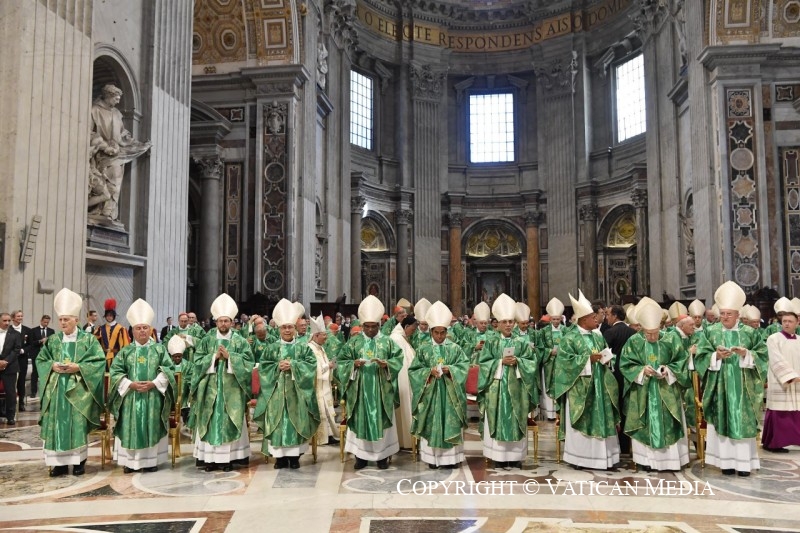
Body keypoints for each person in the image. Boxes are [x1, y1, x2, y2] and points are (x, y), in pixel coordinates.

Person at [695, 281, 767, 476]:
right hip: (720, 387)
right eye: (723, 313)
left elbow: (763, 356)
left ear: (737, 315)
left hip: (744, 389)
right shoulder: (710, 331)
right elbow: (700, 356)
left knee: (742, 423)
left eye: (729, 314)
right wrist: (716, 356)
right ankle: (725, 463)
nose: (725, 317)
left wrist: (746, 354)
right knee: (722, 421)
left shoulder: (750, 333)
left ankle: (744, 465)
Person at [37, 288, 106, 476]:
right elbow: (41, 360)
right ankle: (58, 464)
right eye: (60, 319)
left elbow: (98, 362)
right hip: (57, 390)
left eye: (66, 319)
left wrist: (79, 368)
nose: (62, 323)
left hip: (79, 391)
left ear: (76, 319)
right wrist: (52, 366)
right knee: (58, 425)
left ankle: (78, 462)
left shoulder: (88, 340)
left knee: (76, 426)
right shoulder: (53, 340)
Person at [620, 300, 690, 471]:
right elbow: (625, 364)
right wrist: (642, 370)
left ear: (660, 326)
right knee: (644, 423)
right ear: (642, 328)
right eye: (648, 333)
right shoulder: (634, 341)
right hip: (643, 391)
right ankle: (645, 461)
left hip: (667, 390)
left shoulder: (671, 339)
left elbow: (682, 360)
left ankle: (670, 461)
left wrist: (669, 370)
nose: (652, 337)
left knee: (669, 423)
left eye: (655, 333)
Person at [554, 290, 620, 470]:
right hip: (580, 389)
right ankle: (580, 459)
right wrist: (587, 360)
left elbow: (607, 354)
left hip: (600, 385)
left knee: (602, 421)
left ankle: (604, 458)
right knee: (582, 422)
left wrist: (606, 358)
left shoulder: (598, 336)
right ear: (583, 319)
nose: (597, 320)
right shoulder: (570, 338)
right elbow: (563, 363)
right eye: (593, 317)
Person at [109, 299, 176, 473]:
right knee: (131, 428)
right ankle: (129, 462)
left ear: (150, 329)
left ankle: (150, 461)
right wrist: (130, 384)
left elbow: (169, 369)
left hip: (153, 396)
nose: (142, 331)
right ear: (132, 330)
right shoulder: (126, 351)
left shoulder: (159, 350)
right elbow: (115, 372)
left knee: (151, 425)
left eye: (145, 327)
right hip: (130, 398)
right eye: (138, 328)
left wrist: (154, 383)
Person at [338, 295, 403, 470]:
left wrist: (387, 364)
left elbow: (398, 358)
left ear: (379, 325)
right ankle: (361, 456)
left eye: (374, 327)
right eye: (367, 327)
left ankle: (382, 457)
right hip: (359, 391)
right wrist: (353, 364)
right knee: (361, 421)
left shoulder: (387, 342)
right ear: (362, 325)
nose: (370, 330)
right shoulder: (354, 342)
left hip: (381, 390)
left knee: (381, 420)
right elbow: (342, 362)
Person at [191, 293, 255, 472]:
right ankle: (209, 459)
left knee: (229, 419)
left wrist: (230, 358)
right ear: (215, 321)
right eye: (220, 321)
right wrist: (213, 358)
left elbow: (249, 363)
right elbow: (197, 362)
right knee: (210, 419)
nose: (223, 324)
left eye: (227, 321)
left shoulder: (240, 341)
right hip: (210, 389)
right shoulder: (207, 339)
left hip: (232, 390)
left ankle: (228, 459)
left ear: (232, 321)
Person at [255, 300, 319, 469]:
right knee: (278, 422)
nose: (288, 330)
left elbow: (312, 365)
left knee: (295, 420)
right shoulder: (272, 348)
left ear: (295, 328)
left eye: (290, 327)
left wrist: (294, 366)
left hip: (297, 393)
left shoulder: (303, 348)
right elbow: (264, 366)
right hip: (275, 392)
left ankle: (295, 457)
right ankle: (280, 458)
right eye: (284, 327)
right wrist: (277, 366)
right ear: (279, 329)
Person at [477, 294, 538, 470]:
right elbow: (483, 363)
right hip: (496, 388)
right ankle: (498, 456)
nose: (509, 325)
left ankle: (516, 457)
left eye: (511, 321)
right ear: (497, 323)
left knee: (516, 419)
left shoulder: (522, 342)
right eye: (504, 321)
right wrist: (499, 362)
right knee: (497, 418)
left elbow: (531, 362)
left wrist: (519, 361)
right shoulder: (491, 342)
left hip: (517, 387)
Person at [409, 301, 469, 469]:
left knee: (451, 423)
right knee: (431, 421)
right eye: (437, 333)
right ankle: (432, 459)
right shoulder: (423, 349)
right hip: (431, 395)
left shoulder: (455, 348)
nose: (440, 336)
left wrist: (451, 370)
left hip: (451, 396)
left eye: (443, 333)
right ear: (431, 331)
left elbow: (464, 366)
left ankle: (451, 459)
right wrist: (429, 372)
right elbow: (414, 370)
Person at [90, 84, 151, 224]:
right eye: (116, 98)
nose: (118, 101)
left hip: (118, 153)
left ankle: (108, 213)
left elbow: (123, 133)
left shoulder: (117, 113)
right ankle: (100, 212)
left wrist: (135, 143)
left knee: (115, 182)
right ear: (108, 97)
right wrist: (105, 147)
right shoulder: (94, 110)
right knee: (109, 182)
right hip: (102, 154)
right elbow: (89, 133)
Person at [762, 298, 800, 453]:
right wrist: (790, 376)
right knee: (779, 412)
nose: (787, 324)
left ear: (797, 323)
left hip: (798, 382)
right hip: (781, 381)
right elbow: (775, 359)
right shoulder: (774, 338)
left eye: (790, 321)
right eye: (784, 321)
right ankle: (774, 443)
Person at [603, 304, 636, 455]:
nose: (606, 317)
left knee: (614, 408)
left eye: (608, 314)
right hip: (631, 375)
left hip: (614, 375)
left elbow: (604, 354)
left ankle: (615, 445)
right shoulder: (633, 332)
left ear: (615, 316)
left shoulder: (610, 332)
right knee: (627, 409)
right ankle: (627, 446)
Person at [307, 314, 338, 446]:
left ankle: (329, 434)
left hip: (324, 384)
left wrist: (328, 366)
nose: (326, 338)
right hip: (316, 386)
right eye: (323, 335)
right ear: (315, 335)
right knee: (320, 411)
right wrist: (328, 366)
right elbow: (312, 369)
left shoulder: (321, 348)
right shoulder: (310, 349)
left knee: (327, 410)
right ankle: (320, 437)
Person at [390, 315, 418, 450]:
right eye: (412, 330)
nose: (413, 332)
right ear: (406, 327)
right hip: (402, 379)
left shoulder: (401, 337)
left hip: (407, 377)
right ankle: (403, 440)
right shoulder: (396, 338)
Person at [538, 298, 566, 421]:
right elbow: (540, 348)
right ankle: (550, 413)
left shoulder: (566, 330)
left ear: (561, 319)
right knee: (548, 387)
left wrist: (562, 352)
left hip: (562, 364)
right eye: (553, 319)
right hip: (549, 364)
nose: (555, 321)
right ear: (550, 319)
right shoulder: (544, 332)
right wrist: (550, 352)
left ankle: (561, 412)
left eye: (557, 319)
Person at [0, 313, 23, 424]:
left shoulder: (16, 334)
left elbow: (17, 349)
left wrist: (6, 362)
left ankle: (10, 417)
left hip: (10, 367)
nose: (7, 323)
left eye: (9, 320)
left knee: (10, 392)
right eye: (4, 320)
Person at [95, 299, 130, 370]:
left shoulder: (121, 329)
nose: (109, 317)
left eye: (111, 315)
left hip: (116, 357)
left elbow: (125, 346)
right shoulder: (101, 329)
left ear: (114, 316)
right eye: (107, 315)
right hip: (103, 357)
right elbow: (95, 343)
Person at [27, 315, 54, 400]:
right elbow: (31, 343)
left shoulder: (51, 331)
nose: (46, 324)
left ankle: (47, 391)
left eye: (47, 322)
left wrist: (48, 341)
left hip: (47, 355)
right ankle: (33, 392)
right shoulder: (33, 330)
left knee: (47, 373)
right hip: (36, 354)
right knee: (35, 373)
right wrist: (40, 341)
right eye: (45, 322)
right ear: (41, 321)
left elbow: (53, 343)